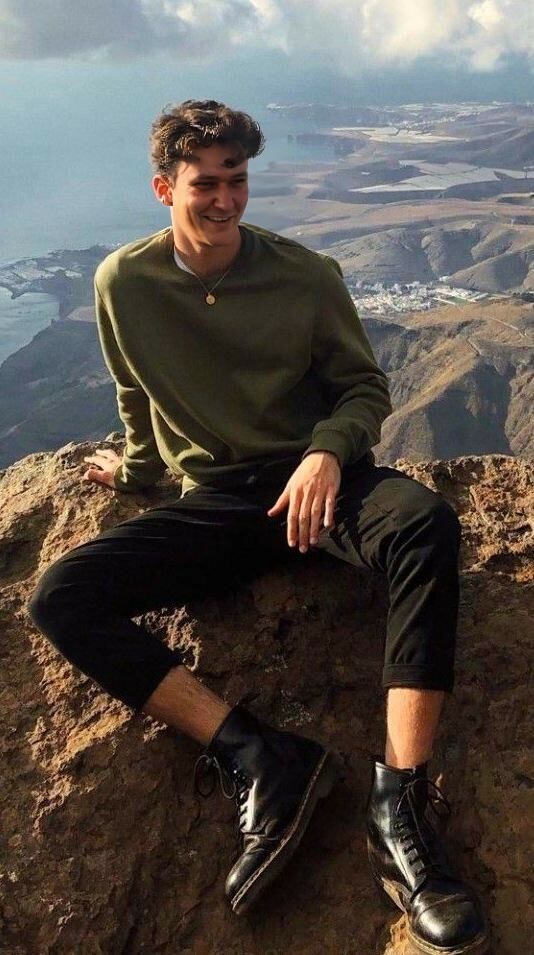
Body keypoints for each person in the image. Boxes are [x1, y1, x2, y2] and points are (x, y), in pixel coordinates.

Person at [28, 100, 489, 952]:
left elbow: (364, 388)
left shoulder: (305, 275)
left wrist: (325, 453)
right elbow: (136, 394)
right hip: (217, 500)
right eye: (205, 183)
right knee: (60, 597)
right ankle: (257, 753)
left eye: (236, 180)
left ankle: (401, 809)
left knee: (424, 524)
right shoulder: (123, 283)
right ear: (165, 188)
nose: (225, 199)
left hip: (322, 487)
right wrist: (133, 473)